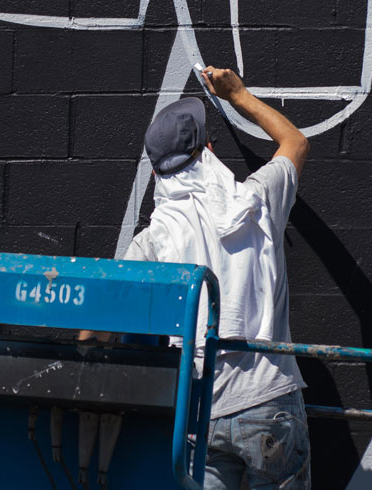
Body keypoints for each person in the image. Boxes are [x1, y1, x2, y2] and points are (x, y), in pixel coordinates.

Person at [79, 66, 311, 489]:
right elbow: (295, 142)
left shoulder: (152, 242)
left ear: (155, 174)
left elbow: (95, 327)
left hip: (202, 412)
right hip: (270, 402)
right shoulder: (257, 202)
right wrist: (237, 95)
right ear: (208, 151)